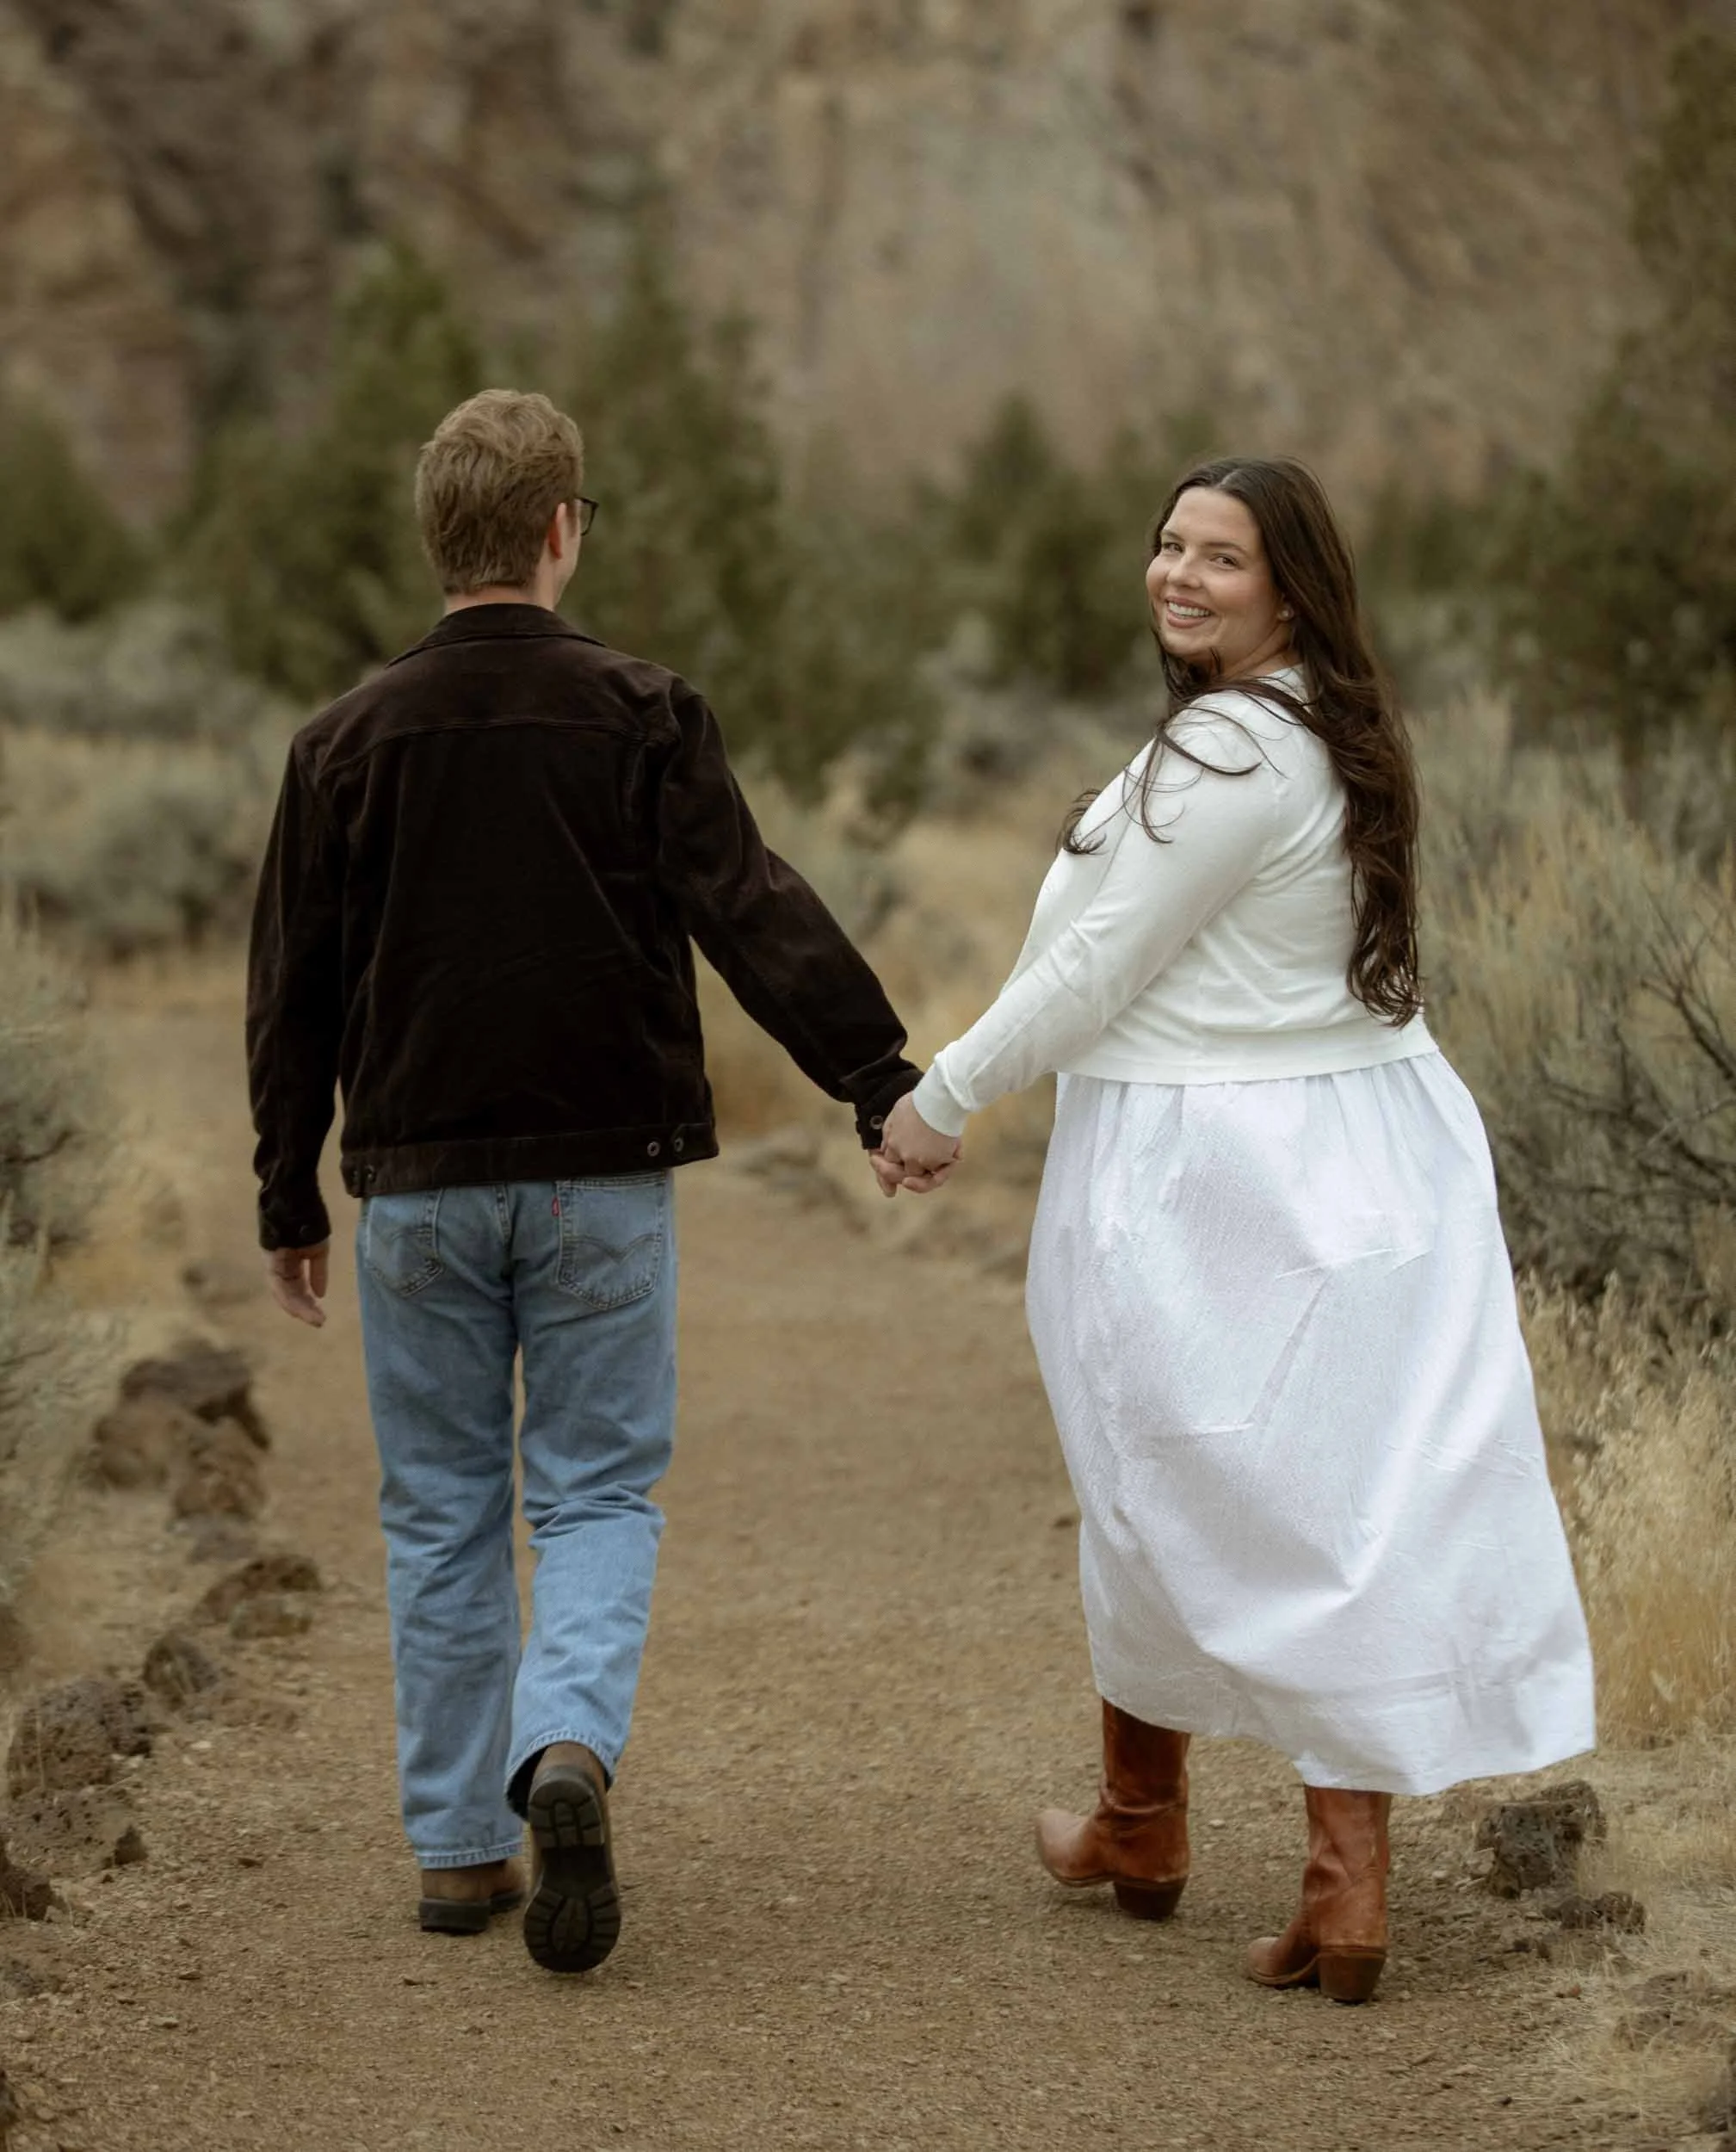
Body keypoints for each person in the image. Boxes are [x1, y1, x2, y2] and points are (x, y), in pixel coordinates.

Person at [874, 455, 1595, 2005]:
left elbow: (1095, 971)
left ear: (1289, 586)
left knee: (1173, 1485)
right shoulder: (1332, 726)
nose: (1181, 575)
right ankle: (1184, 1832)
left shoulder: (1224, 753)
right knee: (1321, 1499)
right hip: (1362, 1140)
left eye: (1223, 557)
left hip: (1220, 1169)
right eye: (1168, 545)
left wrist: (946, 1095)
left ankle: (1275, 1858)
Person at [247, 388, 943, 1972]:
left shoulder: (339, 743)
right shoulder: (644, 712)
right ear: (564, 530)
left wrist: (289, 1192)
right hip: (602, 1182)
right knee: (598, 1490)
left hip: (416, 1187)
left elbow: (289, 987)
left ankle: (459, 1856)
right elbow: (748, 905)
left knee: (437, 1511)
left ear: (441, 540)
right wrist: (876, 1077)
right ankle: (565, 1743)